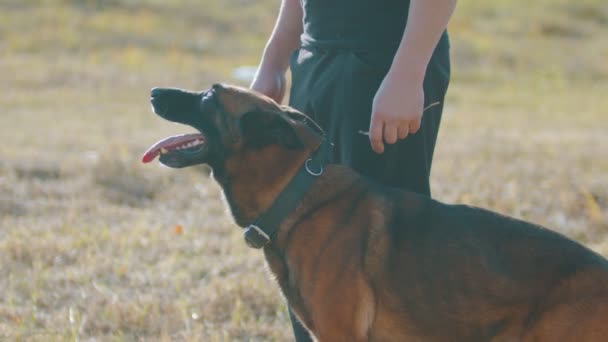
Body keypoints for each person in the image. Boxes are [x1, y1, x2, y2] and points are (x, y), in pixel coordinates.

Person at [251, 0, 457, 340]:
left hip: (385, 61)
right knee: (306, 229)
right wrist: (274, 58)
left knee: (384, 245)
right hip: (314, 55)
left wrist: (407, 73)